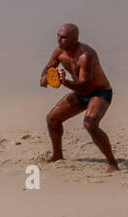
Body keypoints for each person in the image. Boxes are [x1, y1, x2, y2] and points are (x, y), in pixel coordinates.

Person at [40, 23, 119, 172]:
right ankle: (57, 154)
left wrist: (64, 82)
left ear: (74, 39)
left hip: (99, 93)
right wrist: (44, 76)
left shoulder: (85, 56)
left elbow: (85, 86)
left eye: (63, 38)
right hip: (80, 92)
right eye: (58, 36)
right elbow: (49, 66)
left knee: (90, 125)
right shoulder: (59, 52)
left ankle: (112, 163)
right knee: (52, 119)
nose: (59, 40)